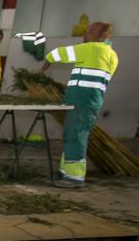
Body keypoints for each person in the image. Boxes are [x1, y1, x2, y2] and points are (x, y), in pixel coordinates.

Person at [41, 21, 118, 188]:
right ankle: (66, 171)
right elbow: (93, 78)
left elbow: (56, 54)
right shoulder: (112, 55)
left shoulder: (92, 48)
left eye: (91, 31)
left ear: (103, 36)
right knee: (74, 135)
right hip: (91, 101)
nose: (86, 34)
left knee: (76, 136)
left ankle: (74, 177)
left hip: (82, 101)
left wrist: (42, 70)